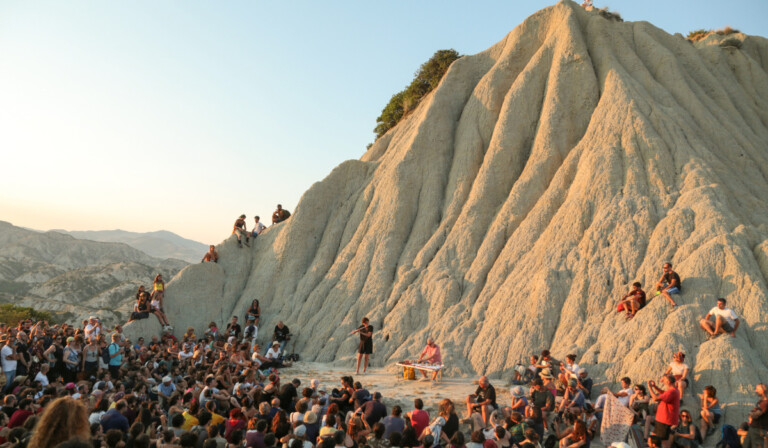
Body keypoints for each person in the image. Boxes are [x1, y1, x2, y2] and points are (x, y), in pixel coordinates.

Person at [648, 374, 681, 448]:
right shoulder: (673, 391)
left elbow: (655, 398)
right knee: (659, 440)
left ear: (668, 381)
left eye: (664, 380)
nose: (662, 381)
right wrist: (655, 386)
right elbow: (663, 393)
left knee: (659, 441)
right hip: (664, 420)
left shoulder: (672, 392)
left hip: (665, 420)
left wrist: (650, 388)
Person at [742, 384, 768, 448]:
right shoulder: (760, 401)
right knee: (745, 446)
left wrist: (751, 413)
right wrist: (752, 413)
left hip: (759, 430)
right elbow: (753, 413)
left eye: (757, 389)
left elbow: (755, 415)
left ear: (762, 391)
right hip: (753, 428)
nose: (755, 391)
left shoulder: (765, 403)